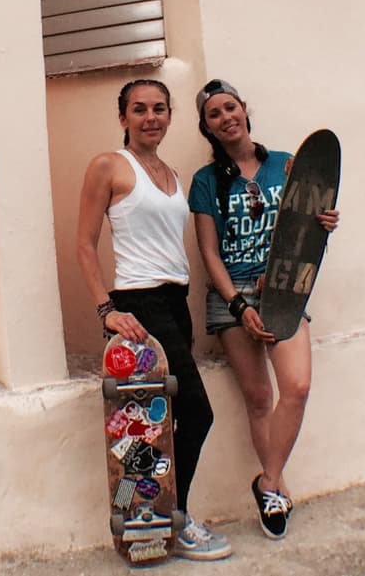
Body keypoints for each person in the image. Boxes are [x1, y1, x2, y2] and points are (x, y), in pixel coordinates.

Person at [75, 79, 231, 562]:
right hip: (140, 308)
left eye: (160, 109)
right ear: (123, 117)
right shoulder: (109, 165)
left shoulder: (172, 173)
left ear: (170, 115)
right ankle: (178, 518)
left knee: (161, 422)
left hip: (175, 303)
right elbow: (84, 243)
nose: (151, 117)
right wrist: (109, 310)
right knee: (198, 413)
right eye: (139, 109)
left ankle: (154, 514)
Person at [189, 79, 339, 541]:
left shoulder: (286, 165)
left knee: (296, 386)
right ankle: (278, 489)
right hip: (231, 296)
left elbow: (304, 235)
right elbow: (209, 253)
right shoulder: (206, 181)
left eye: (229, 107)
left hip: (284, 292)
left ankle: (267, 481)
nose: (225, 118)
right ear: (207, 127)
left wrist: (324, 225)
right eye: (214, 114)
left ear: (244, 109)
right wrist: (236, 305)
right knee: (258, 398)